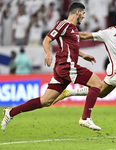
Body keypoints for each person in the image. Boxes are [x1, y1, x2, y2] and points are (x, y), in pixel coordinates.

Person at [1, 2, 102, 131]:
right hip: (67, 65)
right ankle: (85, 118)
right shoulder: (63, 24)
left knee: (46, 101)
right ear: (77, 12)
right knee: (97, 84)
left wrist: (82, 55)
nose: (83, 16)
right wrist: (48, 53)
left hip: (63, 68)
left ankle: (10, 113)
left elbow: (70, 47)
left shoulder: (75, 29)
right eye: (83, 13)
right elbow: (47, 39)